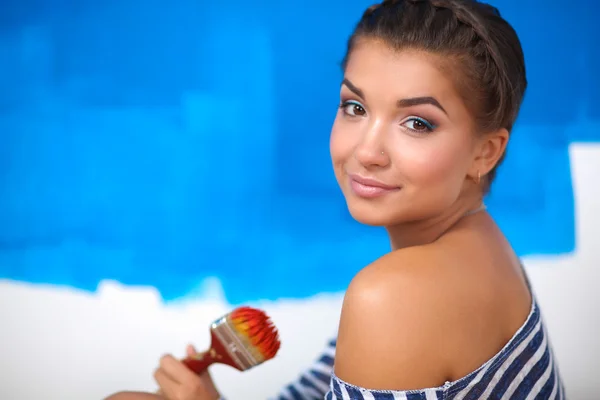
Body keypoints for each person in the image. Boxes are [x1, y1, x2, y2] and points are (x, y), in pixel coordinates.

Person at [105, 0, 565, 398]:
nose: (366, 152)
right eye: (355, 107)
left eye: (417, 123)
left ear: (485, 152)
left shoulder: (397, 295)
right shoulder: (479, 248)